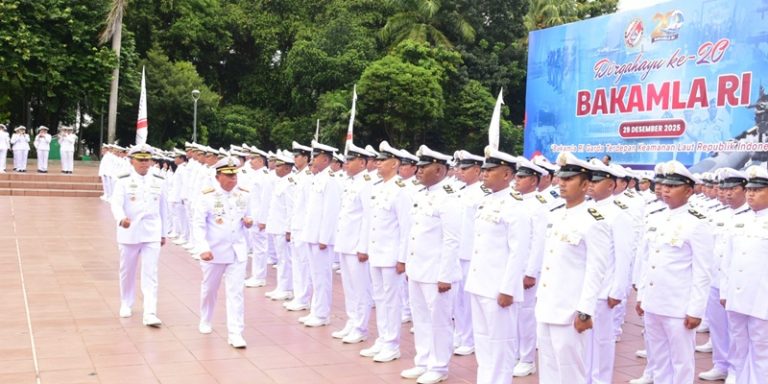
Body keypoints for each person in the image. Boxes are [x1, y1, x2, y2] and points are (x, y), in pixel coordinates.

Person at [535, 151, 610, 384]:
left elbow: (596, 269)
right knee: (548, 369)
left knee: (570, 373)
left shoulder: (594, 221)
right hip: (548, 306)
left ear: (585, 184)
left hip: (570, 311)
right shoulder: (557, 215)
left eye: (569, 179)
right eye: (561, 178)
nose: (562, 183)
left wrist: (585, 311)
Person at [636, 160, 713, 384]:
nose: (666, 189)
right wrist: (642, 296)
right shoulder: (657, 217)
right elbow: (649, 261)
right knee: (658, 359)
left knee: (681, 363)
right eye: (664, 185)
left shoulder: (697, 223)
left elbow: (702, 271)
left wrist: (696, 310)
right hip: (653, 303)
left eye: (673, 186)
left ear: (689, 191)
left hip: (678, 306)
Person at [464, 148, 532, 384]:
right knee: (483, 344)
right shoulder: (486, 201)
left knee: (501, 346)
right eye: (484, 169)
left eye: (490, 170)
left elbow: (518, 252)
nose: (484, 174)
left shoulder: (517, 206)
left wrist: (508, 289)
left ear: (506, 174)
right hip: (479, 284)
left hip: (498, 289)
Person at [399, 145, 461, 384]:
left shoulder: (449, 197)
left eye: (424, 167)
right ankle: (422, 360)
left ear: (439, 169)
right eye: (419, 166)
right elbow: (412, 233)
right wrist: (408, 263)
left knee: (439, 322)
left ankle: (438, 366)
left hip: (437, 273)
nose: (419, 170)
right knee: (421, 319)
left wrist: (445, 275)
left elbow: (452, 239)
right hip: (418, 269)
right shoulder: (421, 194)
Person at [358, 141, 412, 363]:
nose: (378, 164)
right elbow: (371, 221)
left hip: (391, 256)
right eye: (378, 160)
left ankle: (392, 343)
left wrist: (402, 258)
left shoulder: (402, 190)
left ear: (395, 163)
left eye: (383, 161)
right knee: (379, 298)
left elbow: (406, 227)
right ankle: (382, 338)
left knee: (392, 300)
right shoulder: (378, 187)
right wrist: (366, 247)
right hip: (377, 252)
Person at [193, 155, 254, 348]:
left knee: (235, 292)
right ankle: (206, 318)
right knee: (210, 289)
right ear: (218, 176)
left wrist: (248, 221)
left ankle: (235, 333)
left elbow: (247, 215)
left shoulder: (243, 194)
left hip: (237, 251)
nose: (233, 179)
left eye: (234, 175)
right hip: (214, 251)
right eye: (228, 176)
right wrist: (203, 248)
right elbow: (198, 225)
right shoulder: (207, 196)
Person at [109, 144, 168, 326]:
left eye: (147, 159)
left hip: (152, 232)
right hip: (129, 231)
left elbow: (164, 209)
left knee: (151, 272)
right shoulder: (123, 179)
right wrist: (121, 218)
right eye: (140, 160)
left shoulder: (159, 179)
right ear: (131, 160)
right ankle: (126, 302)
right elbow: (116, 203)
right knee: (127, 270)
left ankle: (150, 311)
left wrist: (164, 233)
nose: (144, 163)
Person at [720, 164, 768, 384]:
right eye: (749, 189)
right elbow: (728, 260)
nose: (751, 194)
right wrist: (724, 290)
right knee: (740, 346)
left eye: (757, 190)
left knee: (762, 351)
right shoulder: (739, 219)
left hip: (762, 300)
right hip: (737, 298)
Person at [331, 143, 375, 344]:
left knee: (360, 288)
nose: (346, 164)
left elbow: (368, 217)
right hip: (345, 242)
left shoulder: (366, 184)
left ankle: (360, 327)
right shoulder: (350, 182)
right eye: (346, 160)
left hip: (356, 245)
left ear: (363, 162)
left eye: (351, 160)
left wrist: (363, 247)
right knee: (349, 287)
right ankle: (352, 321)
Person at [296, 140, 342, 327]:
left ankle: (322, 314)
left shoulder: (331, 180)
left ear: (325, 160)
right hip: (312, 235)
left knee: (322, 276)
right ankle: (316, 310)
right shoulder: (317, 178)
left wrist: (324, 238)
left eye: (316, 157)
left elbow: (331, 212)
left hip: (321, 238)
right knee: (315, 275)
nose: (313, 160)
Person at [451, 149, 486, 357]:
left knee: (469, 298)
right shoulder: (460, 190)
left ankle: (469, 338)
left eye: (465, 168)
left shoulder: (483, 193)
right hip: (458, 251)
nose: (460, 172)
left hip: (472, 253)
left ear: (476, 169)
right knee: (458, 298)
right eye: (459, 168)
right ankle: (460, 333)